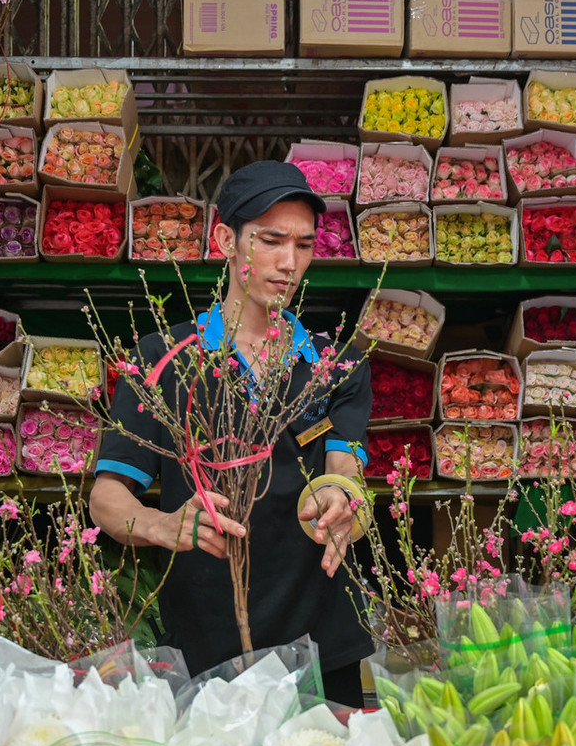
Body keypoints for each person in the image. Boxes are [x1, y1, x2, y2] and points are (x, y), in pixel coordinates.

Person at [88, 160, 374, 706]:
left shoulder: (337, 365)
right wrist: (161, 524)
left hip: (323, 642)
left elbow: (345, 467)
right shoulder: (163, 360)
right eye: (270, 241)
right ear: (226, 239)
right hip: (207, 643)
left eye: (305, 245)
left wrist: (342, 501)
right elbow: (106, 498)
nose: (288, 263)